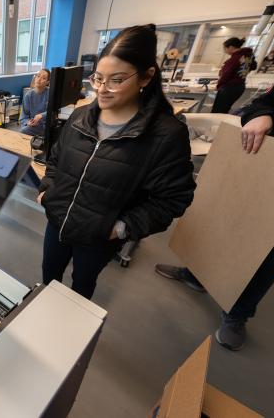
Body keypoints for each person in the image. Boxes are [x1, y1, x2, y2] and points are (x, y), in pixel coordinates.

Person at [37, 24, 196, 300]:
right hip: (57, 221)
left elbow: (173, 199)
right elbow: (55, 159)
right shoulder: (80, 116)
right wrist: (46, 191)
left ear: (146, 77)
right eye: (98, 78)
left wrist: (120, 228)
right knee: (48, 277)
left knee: (81, 287)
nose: (102, 89)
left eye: (116, 80)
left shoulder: (166, 135)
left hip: (99, 237)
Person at [155, 68, 274, 351]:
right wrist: (259, 115)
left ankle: (237, 313)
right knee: (221, 221)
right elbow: (262, 102)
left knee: (268, 254)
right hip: (259, 160)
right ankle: (198, 275)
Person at [211, 37, 257, 113]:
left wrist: (219, 85)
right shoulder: (247, 56)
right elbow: (253, 67)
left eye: (225, 48)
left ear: (231, 47)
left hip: (230, 88)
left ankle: (216, 124)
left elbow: (226, 74)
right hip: (240, 86)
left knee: (218, 111)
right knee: (224, 109)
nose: (225, 51)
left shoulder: (235, 58)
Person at [20, 69, 50, 136]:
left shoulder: (51, 93)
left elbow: (54, 112)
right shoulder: (28, 95)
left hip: (48, 126)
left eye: (43, 78)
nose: (39, 79)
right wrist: (28, 122)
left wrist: (41, 115)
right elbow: (23, 117)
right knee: (23, 131)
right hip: (35, 126)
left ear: (47, 82)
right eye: (38, 76)